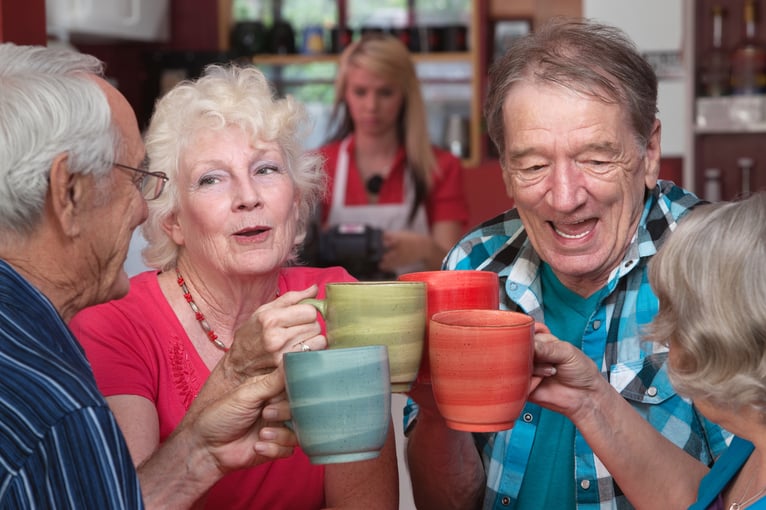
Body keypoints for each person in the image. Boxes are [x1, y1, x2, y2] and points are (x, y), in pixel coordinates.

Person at [403, 18, 731, 510]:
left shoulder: (722, 266)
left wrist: (593, 402)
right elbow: (443, 503)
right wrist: (434, 413)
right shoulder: (473, 266)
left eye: (596, 159)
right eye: (533, 165)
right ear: (507, 172)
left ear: (649, 152)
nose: (563, 197)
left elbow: (745, 499)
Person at [70, 63, 399, 509]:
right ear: (173, 222)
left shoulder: (336, 299)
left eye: (266, 170)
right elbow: (126, 501)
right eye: (211, 179)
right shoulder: (118, 322)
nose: (248, 195)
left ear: (296, 201)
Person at [0, 43, 295, 508]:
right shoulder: (51, 404)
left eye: (265, 170)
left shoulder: (36, 346)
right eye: (132, 178)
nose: (143, 210)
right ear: (68, 193)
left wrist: (197, 451)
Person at [530, 193, 766, 509]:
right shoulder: (750, 444)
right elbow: (698, 501)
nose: (665, 333)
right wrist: (587, 398)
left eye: (674, 314)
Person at [314, 32, 469, 278]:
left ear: (405, 95)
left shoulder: (440, 167)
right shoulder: (318, 167)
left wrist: (423, 249)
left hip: (417, 311)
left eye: (385, 93)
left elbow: (454, 269)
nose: (371, 106)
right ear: (344, 93)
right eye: (360, 92)